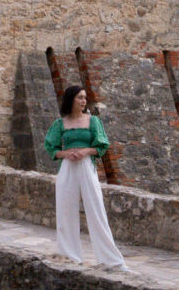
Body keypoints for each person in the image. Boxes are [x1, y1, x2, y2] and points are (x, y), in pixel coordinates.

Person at [43, 84, 127, 268]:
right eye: (80, 97)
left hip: (86, 167)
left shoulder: (93, 121)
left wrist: (85, 151)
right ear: (71, 99)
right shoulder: (60, 124)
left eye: (84, 98)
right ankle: (69, 255)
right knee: (65, 211)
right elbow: (51, 147)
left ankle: (111, 259)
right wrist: (66, 154)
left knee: (96, 210)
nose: (83, 101)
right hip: (67, 169)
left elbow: (102, 145)